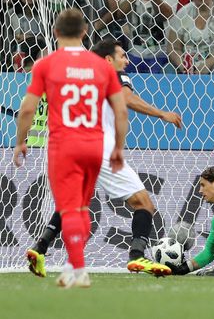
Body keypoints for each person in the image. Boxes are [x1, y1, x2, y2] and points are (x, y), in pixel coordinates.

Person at [26, 39, 183, 278]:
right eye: (122, 56)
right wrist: (162, 113)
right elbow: (127, 99)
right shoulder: (115, 75)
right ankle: (137, 256)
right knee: (144, 204)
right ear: (108, 60)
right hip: (100, 147)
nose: (126, 61)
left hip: (73, 146)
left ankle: (40, 247)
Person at [13, 9, 128, 288]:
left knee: (68, 209)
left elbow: (28, 109)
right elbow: (121, 111)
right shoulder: (101, 65)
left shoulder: (45, 65)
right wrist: (118, 149)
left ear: (55, 33)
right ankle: (72, 267)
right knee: (82, 207)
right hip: (94, 145)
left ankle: (79, 269)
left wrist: (20, 141)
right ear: (85, 32)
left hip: (64, 146)